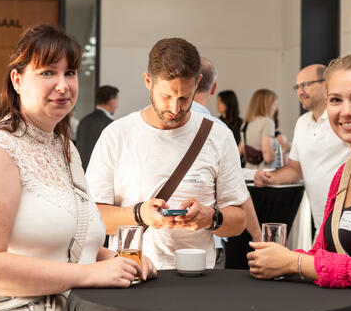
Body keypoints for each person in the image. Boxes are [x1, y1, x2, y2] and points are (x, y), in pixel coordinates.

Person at [0, 25, 155, 311]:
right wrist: (89, 274)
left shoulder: (65, 148)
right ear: (17, 80)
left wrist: (121, 259)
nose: (63, 85)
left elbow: (71, 242)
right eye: (48, 73)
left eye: (70, 73)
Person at [86, 37, 249, 270]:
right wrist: (139, 214)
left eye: (184, 97)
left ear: (198, 82)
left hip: (198, 278)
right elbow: (93, 219)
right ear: (147, 81)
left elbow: (238, 221)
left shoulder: (218, 137)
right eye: (166, 96)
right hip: (132, 274)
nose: (175, 108)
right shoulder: (117, 135)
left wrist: (210, 217)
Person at [247, 54, 351, 311]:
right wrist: (283, 260)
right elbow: (323, 252)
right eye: (336, 100)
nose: (345, 111)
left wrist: (295, 262)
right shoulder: (344, 174)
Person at [254, 64, 351, 233]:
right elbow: (294, 169)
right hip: (320, 219)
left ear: (326, 85)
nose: (300, 91)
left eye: (305, 85)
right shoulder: (302, 122)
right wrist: (269, 177)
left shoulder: (343, 118)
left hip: (349, 217)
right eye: (297, 87)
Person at [191, 57, 261, 268]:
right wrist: (258, 237)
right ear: (213, 88)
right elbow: (237, 189)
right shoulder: (219, 130)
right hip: (207, 243)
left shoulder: (148, 127)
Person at [76, 85, 119, 171]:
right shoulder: (110, 125)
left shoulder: (83, 121)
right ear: (112, 102)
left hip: (81, 174)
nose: (117, 105)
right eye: (117, 101)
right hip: (100, 176)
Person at [241, 89, 277, 170]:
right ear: (266, 105)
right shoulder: (267, 122)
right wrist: (284, 150)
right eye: (274, 105)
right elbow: (268, 157)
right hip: (265, 174)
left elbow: (241, 151)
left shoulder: (246, 124)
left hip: (249, 173)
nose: (275, 109)